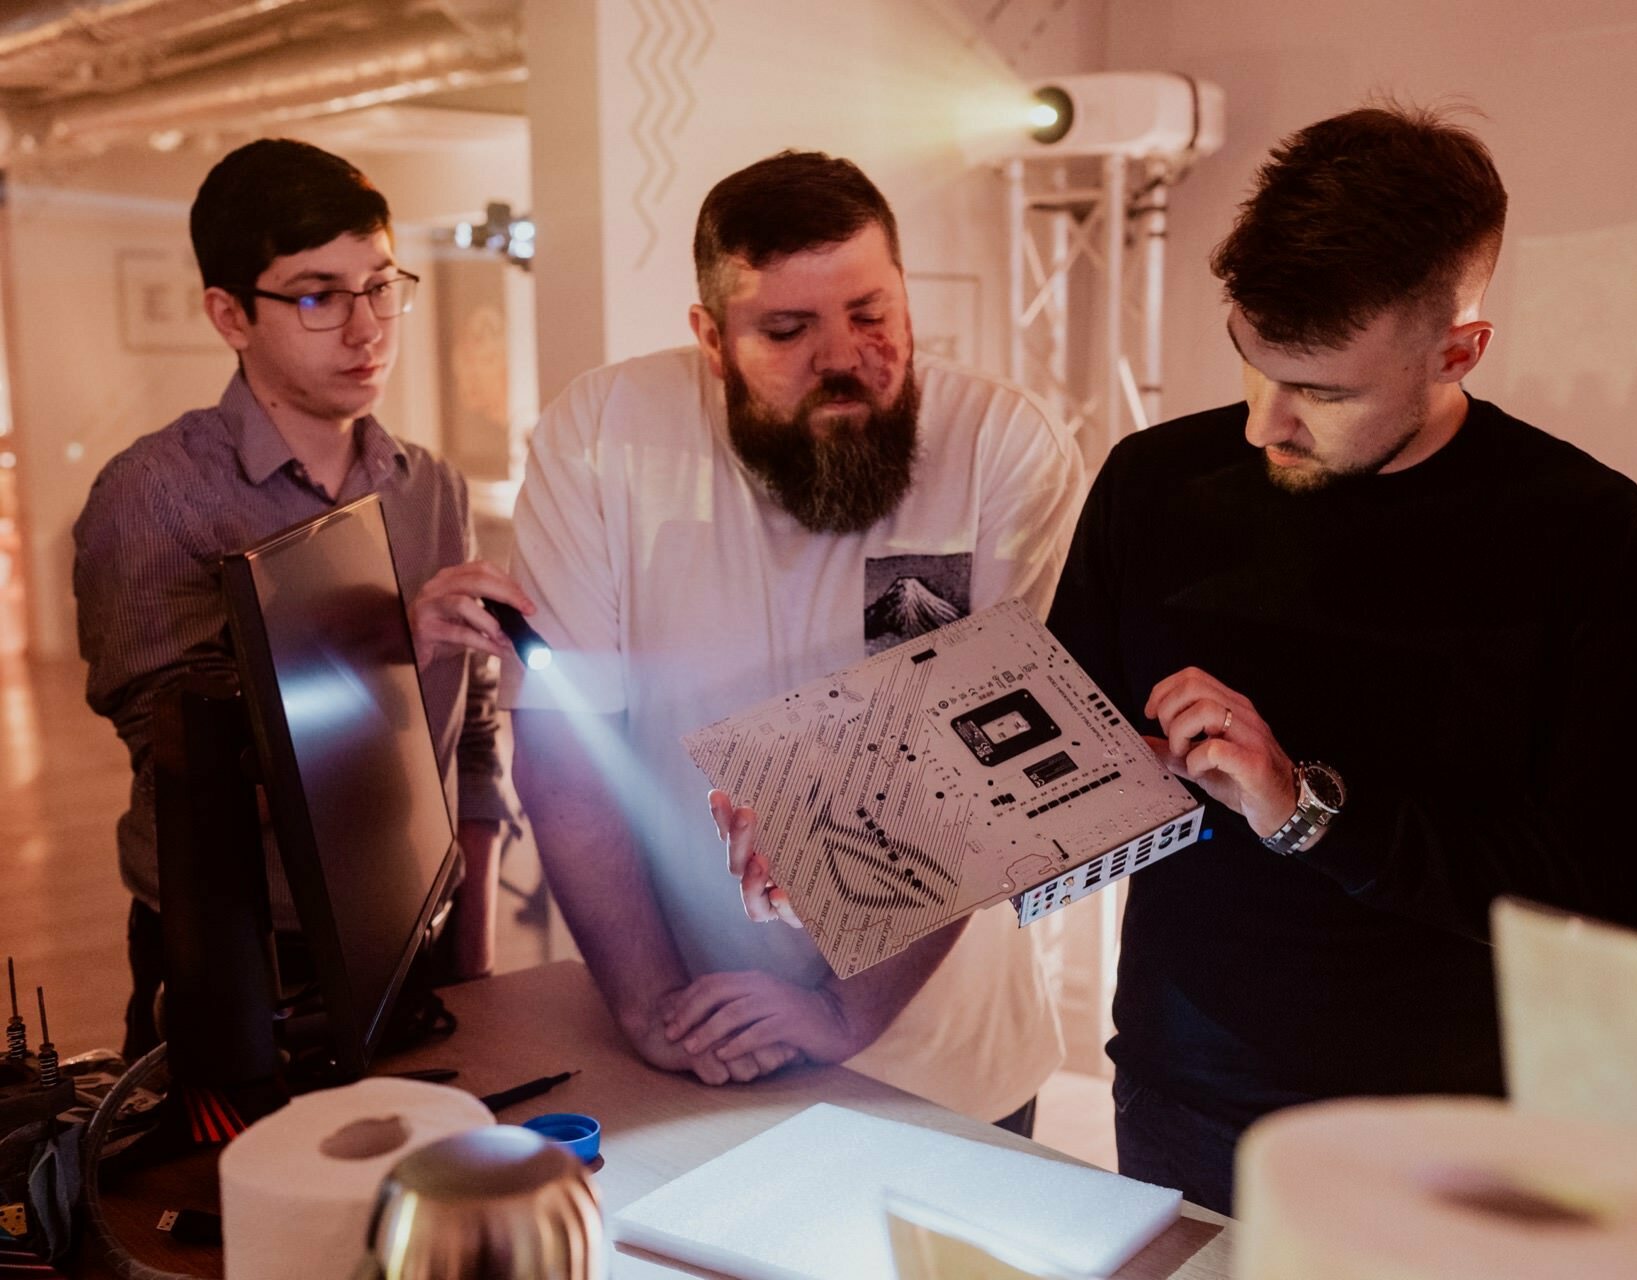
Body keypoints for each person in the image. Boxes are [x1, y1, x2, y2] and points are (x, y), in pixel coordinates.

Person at [1038, 106, 1637, 1211]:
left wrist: (1303, 808)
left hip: (1444, 1133)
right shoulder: (1151, 483)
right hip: (1179, 1092)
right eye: (1252, 363)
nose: (1265, 426)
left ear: (1459, 348)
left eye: (1324, 393)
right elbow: (1039, 763)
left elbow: (1587, 887)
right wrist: (844, 838)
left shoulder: (1587, 534)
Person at [505, 151, 1075, 1128]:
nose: (844, 356)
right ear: (712, 338)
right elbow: (568, 757)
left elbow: (992, 769)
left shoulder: (1001, 446)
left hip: (951, 1061)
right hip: (698, 1033)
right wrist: (649, 1010)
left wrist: (839, 1011)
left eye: (871, 314)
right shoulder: (603, 435)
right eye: (787, 329)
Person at [73, 139, 529, 1058]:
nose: (368, 330)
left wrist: (471, 962)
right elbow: (204, 800)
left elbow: (471, 742)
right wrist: (386, 655)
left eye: (380, 285)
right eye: (319, 296)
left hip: (423, 936)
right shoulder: (158, 495)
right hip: (245, 957)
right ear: (230, 314)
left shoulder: (427, 487)